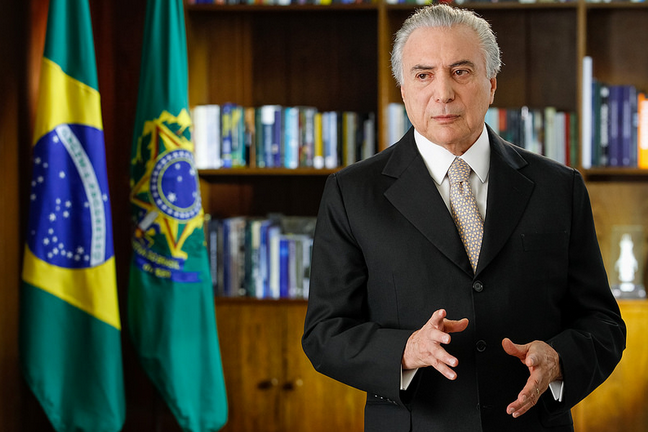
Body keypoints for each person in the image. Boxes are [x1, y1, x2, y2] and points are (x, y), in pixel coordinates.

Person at [301, 4, 626, 432]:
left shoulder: (558, 187)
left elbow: (603, 324)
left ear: (491, 84)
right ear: (403, 89)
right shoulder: (352, 193)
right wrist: (405, 350)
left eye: (460, 71)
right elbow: (325, 334)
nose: (443, 93)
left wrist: (561, 359)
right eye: (423, 74)